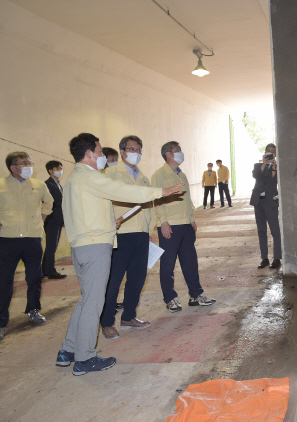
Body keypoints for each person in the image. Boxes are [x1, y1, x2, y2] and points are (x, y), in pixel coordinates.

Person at [56, 133, 184, 375]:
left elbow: (84, 213)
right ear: (89, 154)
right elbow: (121, 191)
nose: (103, 156)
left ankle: (68, 350)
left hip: (83, 244)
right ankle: (84, 358)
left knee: (86, 301)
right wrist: (160, 192)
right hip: (94, 247)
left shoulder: (76, 179)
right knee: (94, 303)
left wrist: (108, 222)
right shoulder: (89, 176)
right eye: (100, 151)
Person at [100, 135, 156, 340]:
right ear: (122, 151)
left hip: (141, 234)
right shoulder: (110, 174)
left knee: (137, 278)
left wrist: (149, 230)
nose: (136, 153)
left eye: (139, 150)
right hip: (120, 234)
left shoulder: (142, 177)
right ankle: (107, 322)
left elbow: (149, 205)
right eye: (132, 149)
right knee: (114, 281)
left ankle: (129, 317)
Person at [151, 141, 216, 313]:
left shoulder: (182, 175)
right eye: (177, 150)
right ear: (168, 155)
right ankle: (170, 298)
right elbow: (157, 199)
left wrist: (192, 218)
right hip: (170, 226)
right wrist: (162, 221)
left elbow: (187, 200)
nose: (181, 153)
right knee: (168, 264)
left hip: (186, 225)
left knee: (190, 262)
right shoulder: (159, 175)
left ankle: (196, 295)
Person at [0, 152, 53, 342]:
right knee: (4, 281)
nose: (28, 166)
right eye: (23, 163)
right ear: (13, 168)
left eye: (29, 162)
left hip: (32, 239)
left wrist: (40, 220)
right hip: (7, 240)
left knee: (35, 277)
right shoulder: (1, 185)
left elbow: (49, 203)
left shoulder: (38, 185)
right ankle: (1, 322)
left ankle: (33, 310)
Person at [250, 144, 282, 270]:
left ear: (276, 154)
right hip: (258, 202)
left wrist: (273, 168)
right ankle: (264, 258)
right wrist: (264, 164)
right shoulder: (258, 166)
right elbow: (256, 176)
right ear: (264, 153)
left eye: (272, 151)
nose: (270, 153)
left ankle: (277, 259)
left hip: (271, 202)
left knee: (275, 231)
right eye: (268, 151)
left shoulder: (277, 167)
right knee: (261, 231)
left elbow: (275, 181)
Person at [42, 160, 67, 280]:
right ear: (50, 171)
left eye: (61, 168)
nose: (60, 171)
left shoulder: (58, 184)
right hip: (51, 220)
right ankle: (50, 271)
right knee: (51, 246)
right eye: (57, 169)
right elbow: (52, 202)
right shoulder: (47, 184)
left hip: (58, 219)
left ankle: (45, 270)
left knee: (52, 246)